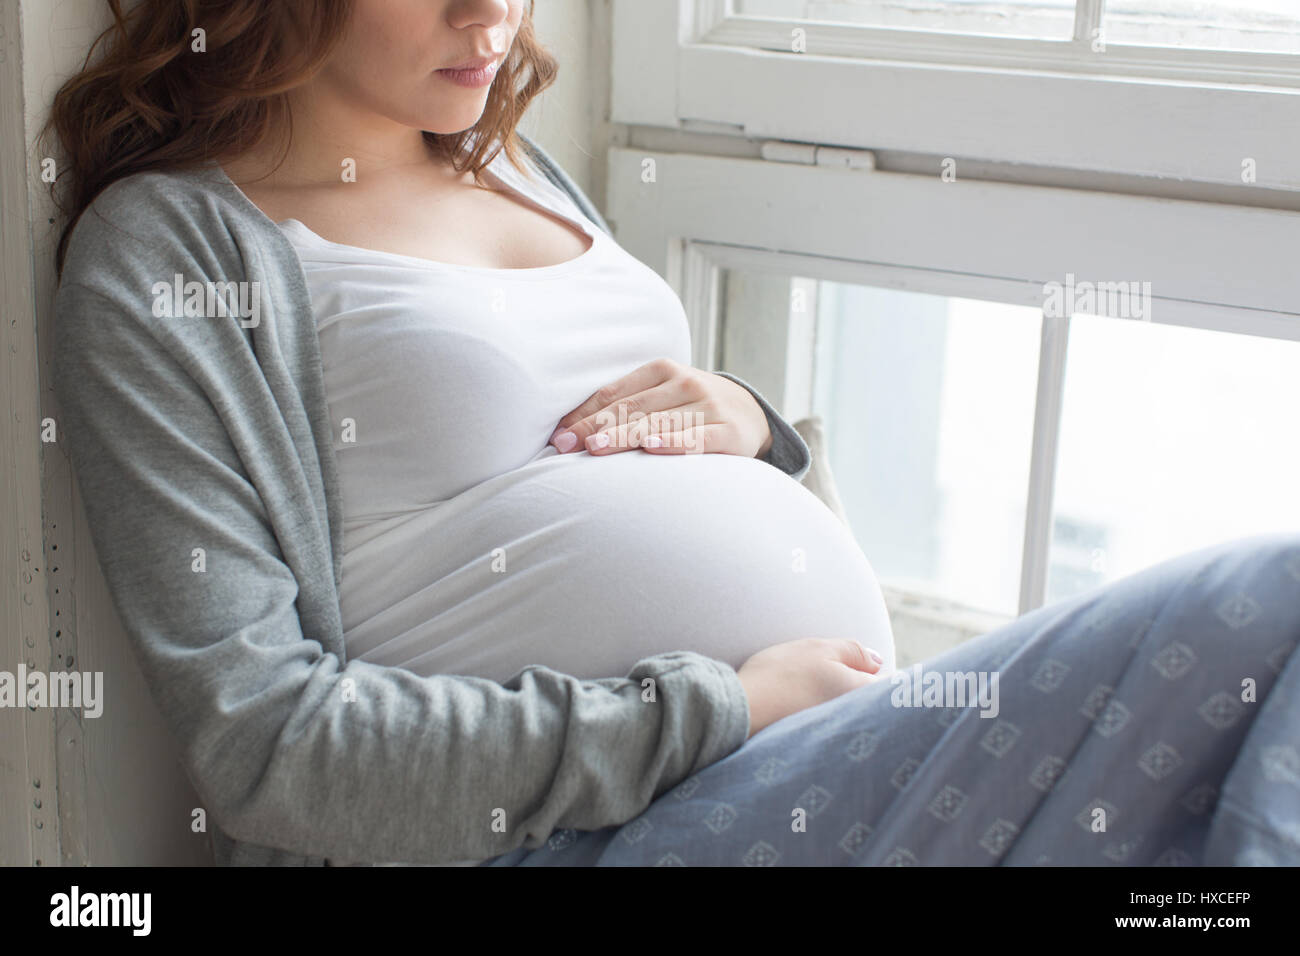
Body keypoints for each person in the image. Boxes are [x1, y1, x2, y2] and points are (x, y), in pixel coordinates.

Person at [45, 0, 1300, 867]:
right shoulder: (171, 254)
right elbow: (270, 748)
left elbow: (662, 480)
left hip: (812, 756)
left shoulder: (519, 169)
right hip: (615, 827)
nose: (493, 15)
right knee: (1271, 600)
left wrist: (763, 433)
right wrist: (721, 708)